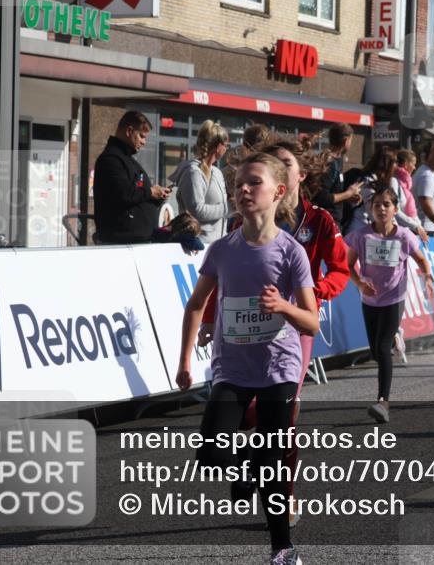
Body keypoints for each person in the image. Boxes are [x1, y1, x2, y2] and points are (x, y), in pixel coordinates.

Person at [175, 152, 318, 565]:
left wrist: (283, 307)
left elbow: (311, 322)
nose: (243, 189)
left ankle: (282, 548)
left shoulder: (291, 252)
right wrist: (184, 362)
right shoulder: (222, 250)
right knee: (212, 456)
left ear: (279, 191)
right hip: (232, 368)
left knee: (271, 464)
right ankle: (244, 467)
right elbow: (196, 304)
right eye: (238, 183)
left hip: (278, 367)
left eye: (254, 182)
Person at [345, 183, 434, 424]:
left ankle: (383, 401)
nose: (381, 209)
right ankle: (395, 338)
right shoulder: (362, 235)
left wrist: (427, 277)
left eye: (386, 204)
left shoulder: (404, 235)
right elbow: (348, 265)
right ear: (371, 209)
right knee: (376, 350)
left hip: (394, 297)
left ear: (395, 209)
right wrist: (360, 283)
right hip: (369, 298)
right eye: (377, 205)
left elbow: (421, 260)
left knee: (383, 349)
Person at [92, 111, 171, 244]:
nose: (144, 142)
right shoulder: (111, 159)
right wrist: (151, 192)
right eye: (141, 136)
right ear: (129, 131)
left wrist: (157, 197)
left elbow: (136, 196)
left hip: (134, 241)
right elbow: (124, 194)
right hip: (121, 243)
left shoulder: (127, 160)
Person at [168, 120, 230, 244]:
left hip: (217, 243)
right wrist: (227, 208)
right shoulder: (193, 172)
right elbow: (195, 210)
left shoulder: (217, 172)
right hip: (199, 244)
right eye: (226, 145)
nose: (227, 149)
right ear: (219, 147)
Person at [348, 145, 428, 242]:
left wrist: (404, 230)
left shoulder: (385, 182)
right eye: (395, 162)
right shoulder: (368, 182)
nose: (397, 165)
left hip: (372, 235)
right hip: (360, 234)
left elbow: (392, 211)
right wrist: (403, 232)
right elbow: (375, 214)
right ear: (386, 163)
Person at [311, 122, 363, 228]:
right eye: (351, 140)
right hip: (325, 224)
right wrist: (348, 193)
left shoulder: (338, 160)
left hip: (334, 223)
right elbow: (322, 198)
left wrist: (347, 197)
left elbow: (332, 192)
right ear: (346, 141)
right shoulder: (329, 163)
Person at [395, 149, 419, 220]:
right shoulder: (395, 182)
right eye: (413, 164)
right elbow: (396, 211)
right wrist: (415, 225)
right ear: (405, 164)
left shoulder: (405, 184)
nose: (414, 168)